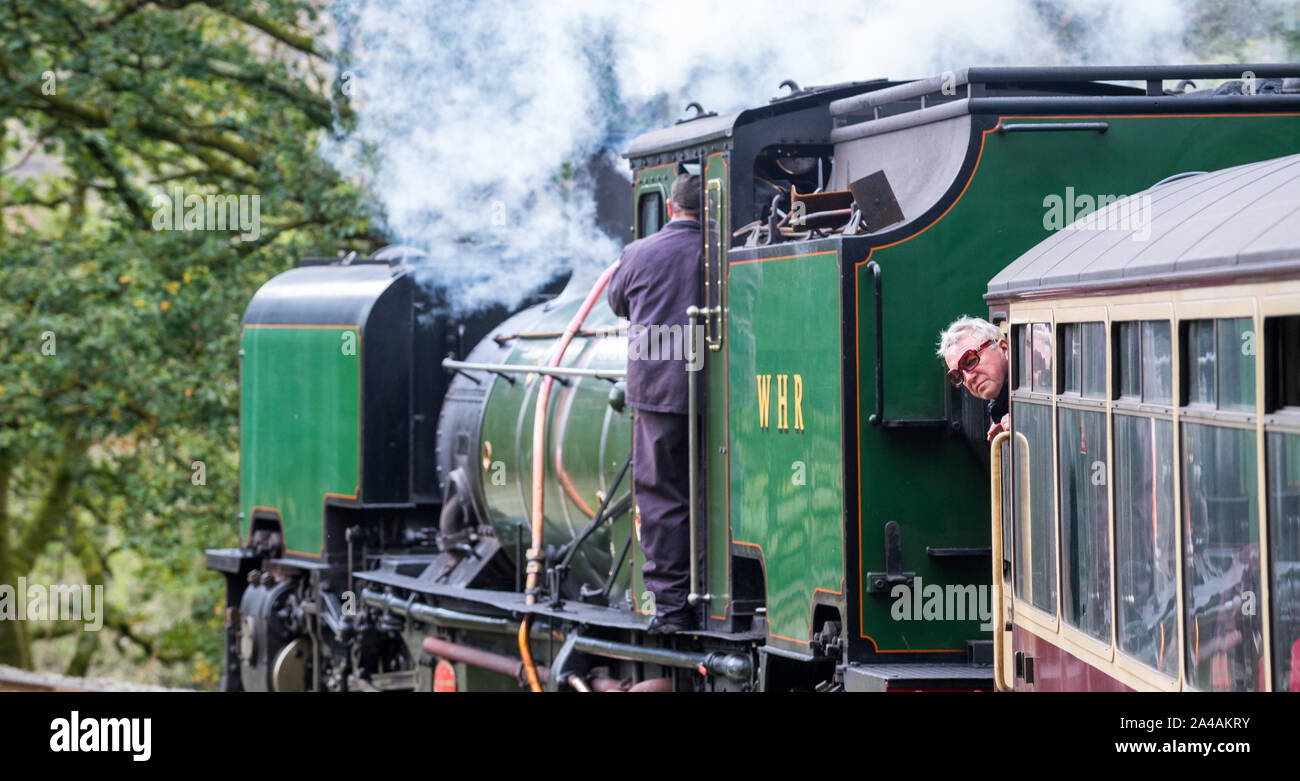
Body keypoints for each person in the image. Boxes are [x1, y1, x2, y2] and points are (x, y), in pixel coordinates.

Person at [606, 173, 703, 634]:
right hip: (715, 395)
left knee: (662, 499)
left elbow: (618, 302)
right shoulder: (723, 254)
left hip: (658, 393)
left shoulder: (639, 253)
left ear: (669, 207)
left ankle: (671, 607)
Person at [936, 315, 1011, 441]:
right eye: (959, 375)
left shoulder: (1042, 378)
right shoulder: (1000, 409)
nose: (969, 378)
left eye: (970, 361)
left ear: (1004, 348)